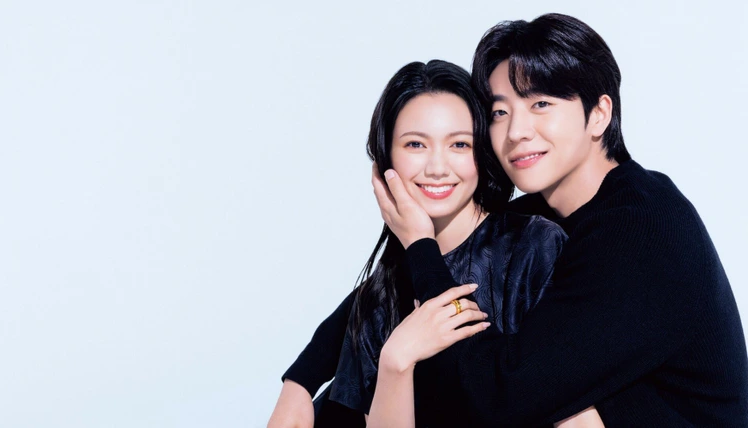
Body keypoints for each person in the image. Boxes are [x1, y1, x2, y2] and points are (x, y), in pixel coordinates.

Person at [274, 13, 748, 427]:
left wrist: (419, 246)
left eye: (541, 104)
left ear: (598, 114)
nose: (517, 131)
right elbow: (414, 274)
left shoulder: (639, 229)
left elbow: (499, 395)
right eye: (500, 111)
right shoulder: (549, 209)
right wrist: (302, 378)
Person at [269, 59, 597, 427]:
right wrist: (396, 361)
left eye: (459, 144)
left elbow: (575, 412)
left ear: (482, 151)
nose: (437, 168)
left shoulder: (533, 247)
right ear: (385, 158)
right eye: (415, 144)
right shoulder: (381, 293)